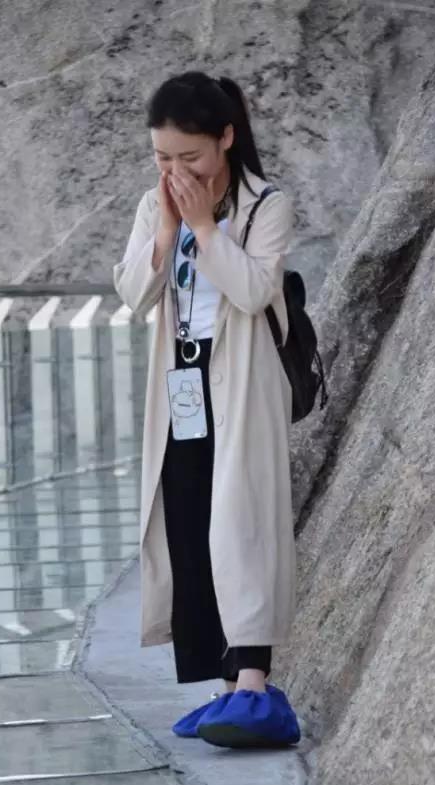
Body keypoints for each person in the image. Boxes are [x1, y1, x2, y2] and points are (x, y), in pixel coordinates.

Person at [114, 71, 300, 749]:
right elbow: (133, 294)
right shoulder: (153, 205)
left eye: (189, 156)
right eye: (163, 156)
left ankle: (254, 682)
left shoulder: (265, 205)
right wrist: (168, 229)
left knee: (242, 522)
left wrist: (203, 227)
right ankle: (224, 689)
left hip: (244, 380)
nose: (176, 170)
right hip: (182, 383)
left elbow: (252, 291)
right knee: (190, 525)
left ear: (225, 138)